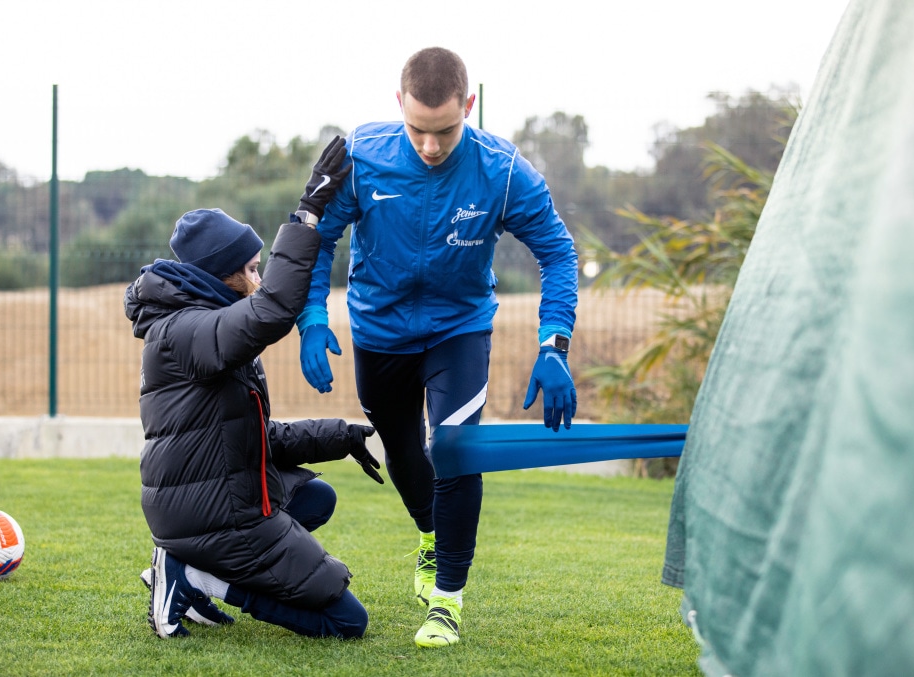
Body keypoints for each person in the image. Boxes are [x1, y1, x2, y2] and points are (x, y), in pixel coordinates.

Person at [296, 47, 579, 648]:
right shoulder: (363, 155)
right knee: (402, 452)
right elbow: (319, 238)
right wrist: (313, 317)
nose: (430, 146)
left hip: (459, 328)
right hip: (379, 332)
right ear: (398, 104)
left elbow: (557, 252)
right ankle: (429, 537)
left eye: (445, 129)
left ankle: (447, 599)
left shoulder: (502, 170)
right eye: (418, 130)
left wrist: (553, 344)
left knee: (451, 447)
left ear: (468, 106)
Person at [124, 136, 385, 641]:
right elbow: (274, 311)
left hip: (215, 503)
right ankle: (199, 576)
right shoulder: (183, 332)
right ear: (221, 277)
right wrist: (309, 211)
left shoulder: (205, 327)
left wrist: (338, 436)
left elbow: (253, 438)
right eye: (250, 268)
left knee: (317, 499)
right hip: (209, 515)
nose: (259, 275)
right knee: (348, 622)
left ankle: (188, 569)